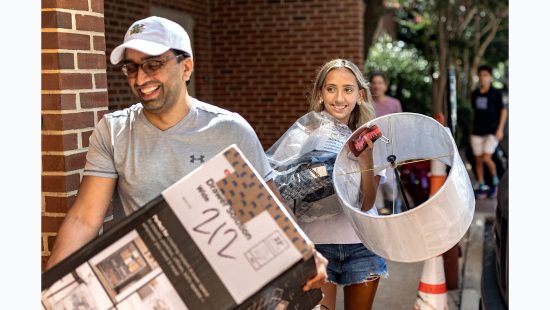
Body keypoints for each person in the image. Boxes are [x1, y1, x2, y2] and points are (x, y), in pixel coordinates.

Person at [46, 16, 327, 291]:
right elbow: (84, 219)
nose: (140, 78)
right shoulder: (114, 131)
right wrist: (47, 290)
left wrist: (304, 252)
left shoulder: (229, 131)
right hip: (144, 288)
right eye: (131, 68)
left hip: (215, 287)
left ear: (186, 67)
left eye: (153, 64)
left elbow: (267, 212)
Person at [267, 59, 387, 310]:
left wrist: (366, 159)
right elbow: (281, 189)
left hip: (362, 245)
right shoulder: (302, 135)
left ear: (360, 95)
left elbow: (367, 203)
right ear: (320, 94)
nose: (339, 97)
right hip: (316, 247)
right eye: (331, 88)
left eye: (348, 89)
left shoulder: (373, 138)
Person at [470, 65, 508, 198]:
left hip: (492, 131)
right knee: (478, 160)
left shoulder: (496, 94)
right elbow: (476, 112)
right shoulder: (474, 94)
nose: (482, 77)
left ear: (490, 77)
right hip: (477, 131)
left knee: (487, 158)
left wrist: (500, 129)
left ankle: (496, 182)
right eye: (480, 75)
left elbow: (503, 111)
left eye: (485, 75)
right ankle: (481, 185)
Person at [369, 72, 403, 215]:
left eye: (380, 82)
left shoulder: (394, 104)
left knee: (390, 183)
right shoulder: (366, 105)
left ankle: (396, 210)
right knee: (374, 183)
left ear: (385, 86)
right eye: (374, 83)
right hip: (371, 150)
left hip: (390, 150)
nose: (377, 85)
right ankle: (379, 215)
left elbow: (400, 127)